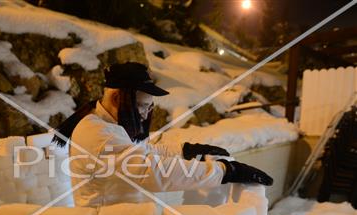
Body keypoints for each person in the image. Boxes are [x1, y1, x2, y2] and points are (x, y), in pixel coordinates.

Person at [52, 62, 272, 207]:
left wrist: (186, 151)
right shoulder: (98, 134)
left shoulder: (109, 125)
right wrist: (224, 171)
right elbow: (155, 172)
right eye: (143, 106)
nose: (147, 114)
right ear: (118, 99)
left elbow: (145, 151)